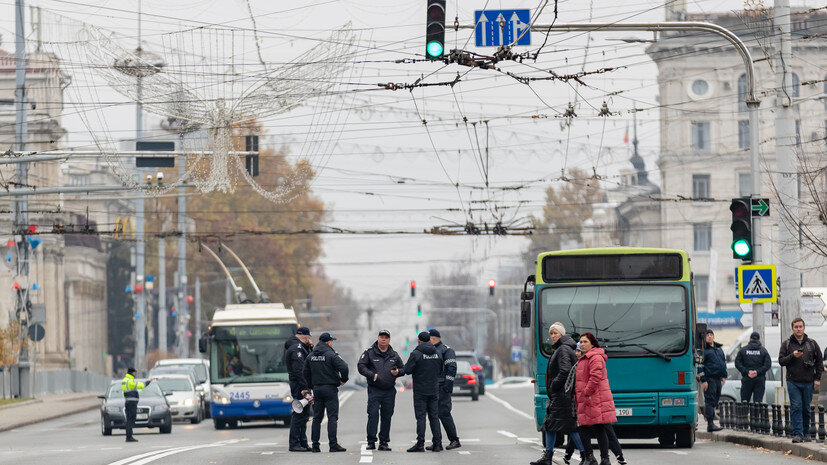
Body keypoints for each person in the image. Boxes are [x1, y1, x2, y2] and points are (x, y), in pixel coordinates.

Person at [531, 323, 585, 465]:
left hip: (562, 396)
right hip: (563, 395)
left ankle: (586, 456)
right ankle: (548, 457)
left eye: (555, 333)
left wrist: (554, 385)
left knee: (560, 426)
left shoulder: (563, 349)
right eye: (551, 334)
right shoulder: (565, 348)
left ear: (561, 334)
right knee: (552, 425)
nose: (552, 336)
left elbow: (565, 370)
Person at [357, 329, 405, 451]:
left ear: (389, 340)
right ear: (378, 338)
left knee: (387, 416)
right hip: (374, 389)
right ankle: (371, 441)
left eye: (386, 337)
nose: (383, 339)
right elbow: (361, 366)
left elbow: (403, 368)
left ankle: (384, 442)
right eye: (381, 337)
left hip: (389, 390)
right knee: (373, 415)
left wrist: (398, 372)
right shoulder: (369, 353)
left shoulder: (394, 355)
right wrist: (372, 375)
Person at [778, 318, 824, 443]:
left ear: (804, 328)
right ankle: (797, 434)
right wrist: (793, 355)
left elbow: (819, 362)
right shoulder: (787, 344)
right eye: (796, 327)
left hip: (809, 381)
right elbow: (781, 361)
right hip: (793, 381)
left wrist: (817, 379)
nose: (798, 329)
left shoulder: (811, 344)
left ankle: (806, 433)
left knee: (806, 408)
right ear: (792, 329)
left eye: (800, 326)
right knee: (796, 407)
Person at [575, 332, 617, 465]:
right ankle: (594, 458)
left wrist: (586, 392)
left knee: (594, 427)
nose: (582, 344)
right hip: (587, 398)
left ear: (592, 343)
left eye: (585, 342)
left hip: (593, 398)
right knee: (589, 427)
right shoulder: (585, 357)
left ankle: (600, 458)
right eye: (580, 342)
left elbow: (595, 377)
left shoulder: (595, 357)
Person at [304, 332, 349, 452]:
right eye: (331, 341)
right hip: (330, 389)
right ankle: (333, 445)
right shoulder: (331, 355)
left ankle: (315, 445)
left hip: (317, 389)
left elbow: (305, 372)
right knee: (332, 417)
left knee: (317, 418)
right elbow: (344, 367)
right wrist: (343, 380)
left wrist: (311, 385)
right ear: (328, 342)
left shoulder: (311, 356)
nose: (332, 343)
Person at [404, 331, 443, 452]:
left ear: (419, 341)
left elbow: (407, 370)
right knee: (434, 417)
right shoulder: (438, 353)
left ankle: (420, 444)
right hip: (434, 389)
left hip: (420, 391)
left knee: (421, 418)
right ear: (430, 340)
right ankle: (437, 444)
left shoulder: (416, 354)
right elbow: (440, 369)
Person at [429, 328, 461, 450]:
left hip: (442, 387)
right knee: (433, 415)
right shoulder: (430, 351)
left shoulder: (446, 350)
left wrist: (447, 386)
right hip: (432, 387)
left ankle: (454, 440)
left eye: (429, 339)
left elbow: (452, 368)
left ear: (433, 338)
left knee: (444, 413)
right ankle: (437, 442)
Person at [284, 326, 313, 452]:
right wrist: (305, 388)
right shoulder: (297, 349)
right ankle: (295, 443)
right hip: (300, 385)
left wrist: (310, 347)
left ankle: (302, 442)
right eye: (308, 337)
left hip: (302, 384)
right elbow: (299, 371)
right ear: (306, 336)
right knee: (299, 413)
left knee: (305, 415)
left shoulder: (300, 347)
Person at [734, 331, 771, 403]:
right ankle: (756, 414)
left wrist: (747, 372)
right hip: (759, 380)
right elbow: (768, 364)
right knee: (758, 403)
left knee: (745, 402)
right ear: (759, 340)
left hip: (747, 379)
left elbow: (737, 363)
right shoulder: (763, 351)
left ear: (750, 339)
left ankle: (744, 414)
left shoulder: (743, 350)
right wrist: (757, 372)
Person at [701, 329, 727, 432]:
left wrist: (724, 376)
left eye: (711, 335)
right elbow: (700, 366)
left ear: (714, 337)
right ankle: (710, 424)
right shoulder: (703, 350)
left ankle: (711, 422)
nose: (710, 337)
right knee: (710, 401)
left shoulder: (719, 349)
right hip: (709, 379)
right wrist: (704, 380)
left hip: (718, 379)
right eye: (707, 335)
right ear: (705, 338)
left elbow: (723, 363)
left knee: (715, 400)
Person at [121, 368, 153, 442]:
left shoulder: (124, 380)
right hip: (132, 403)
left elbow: (124, 392)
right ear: (132, 373)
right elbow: (141, 385)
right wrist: (149, 381)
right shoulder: (130, 381)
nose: (135, 374)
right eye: (134, 373)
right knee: (131, 420)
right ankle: (129, 437)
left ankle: (129, 436)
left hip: (128, 402)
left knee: (129, 419)